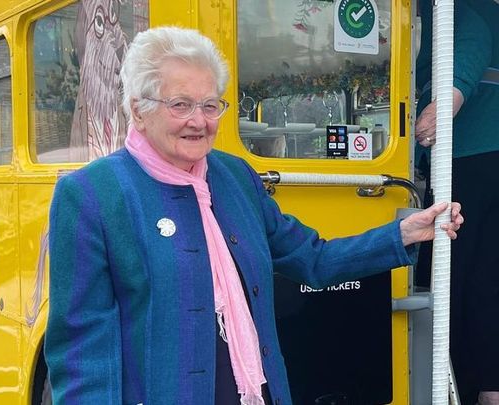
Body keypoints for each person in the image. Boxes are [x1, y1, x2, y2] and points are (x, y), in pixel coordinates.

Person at [45, 26, 463, 405]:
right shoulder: (91, 194)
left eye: (211, 105)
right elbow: (81, 351)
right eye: (180, 104)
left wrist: (401, 235)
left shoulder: (234, 176)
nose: (199, 121)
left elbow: (311, 258)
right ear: (138, 110)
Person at [414, 1, 499, 403]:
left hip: (470, 159)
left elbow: (469, 43)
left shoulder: (462, 9)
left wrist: (442, 106)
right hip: (479, 158)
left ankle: (463, 386)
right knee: (484, 279)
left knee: (455, 281)